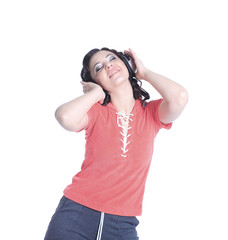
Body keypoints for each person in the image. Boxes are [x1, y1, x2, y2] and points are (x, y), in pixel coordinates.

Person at [44, 47, 188, 240]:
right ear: (97, 82)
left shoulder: (151, 114)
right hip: (75, 216)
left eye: (112, 58)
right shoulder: (96, 113)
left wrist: (144, 73)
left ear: (127, 63)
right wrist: (95, 94)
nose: (108, 65)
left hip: (122, 225)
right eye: (98, 68)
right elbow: (64, 116)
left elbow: (179, 98)